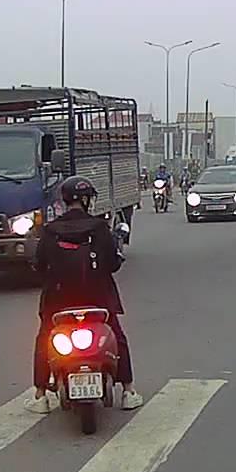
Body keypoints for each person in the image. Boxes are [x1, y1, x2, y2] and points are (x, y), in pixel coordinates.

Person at [27, 176, 143, 414]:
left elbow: (38, 265)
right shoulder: (99, 228)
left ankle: (40, 395)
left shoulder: (50, 230)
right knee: (116, 335)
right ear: (87, 200)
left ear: (64, 200)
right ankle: (128, 391)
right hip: (98, 299)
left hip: (58, 302)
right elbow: (113, 264)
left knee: (44, 339)